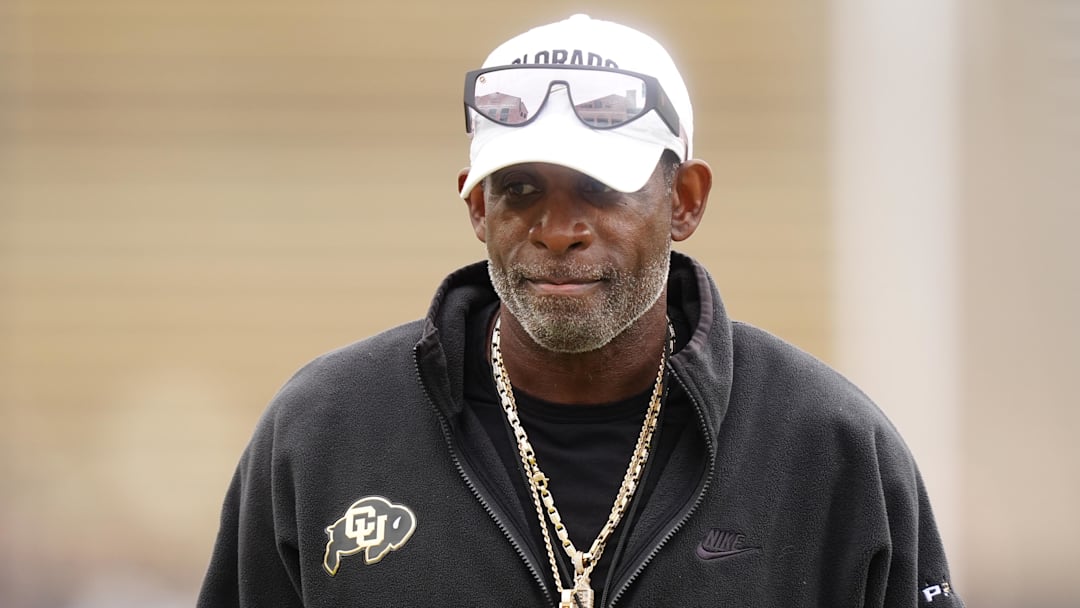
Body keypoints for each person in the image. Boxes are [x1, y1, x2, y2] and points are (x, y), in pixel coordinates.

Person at [198, 14, 963, 608]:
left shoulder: (826, 448)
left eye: (600, 188)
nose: (558, 229)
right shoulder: (326, 432)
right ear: (476, 205)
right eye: (521, 189)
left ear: (685, 201)